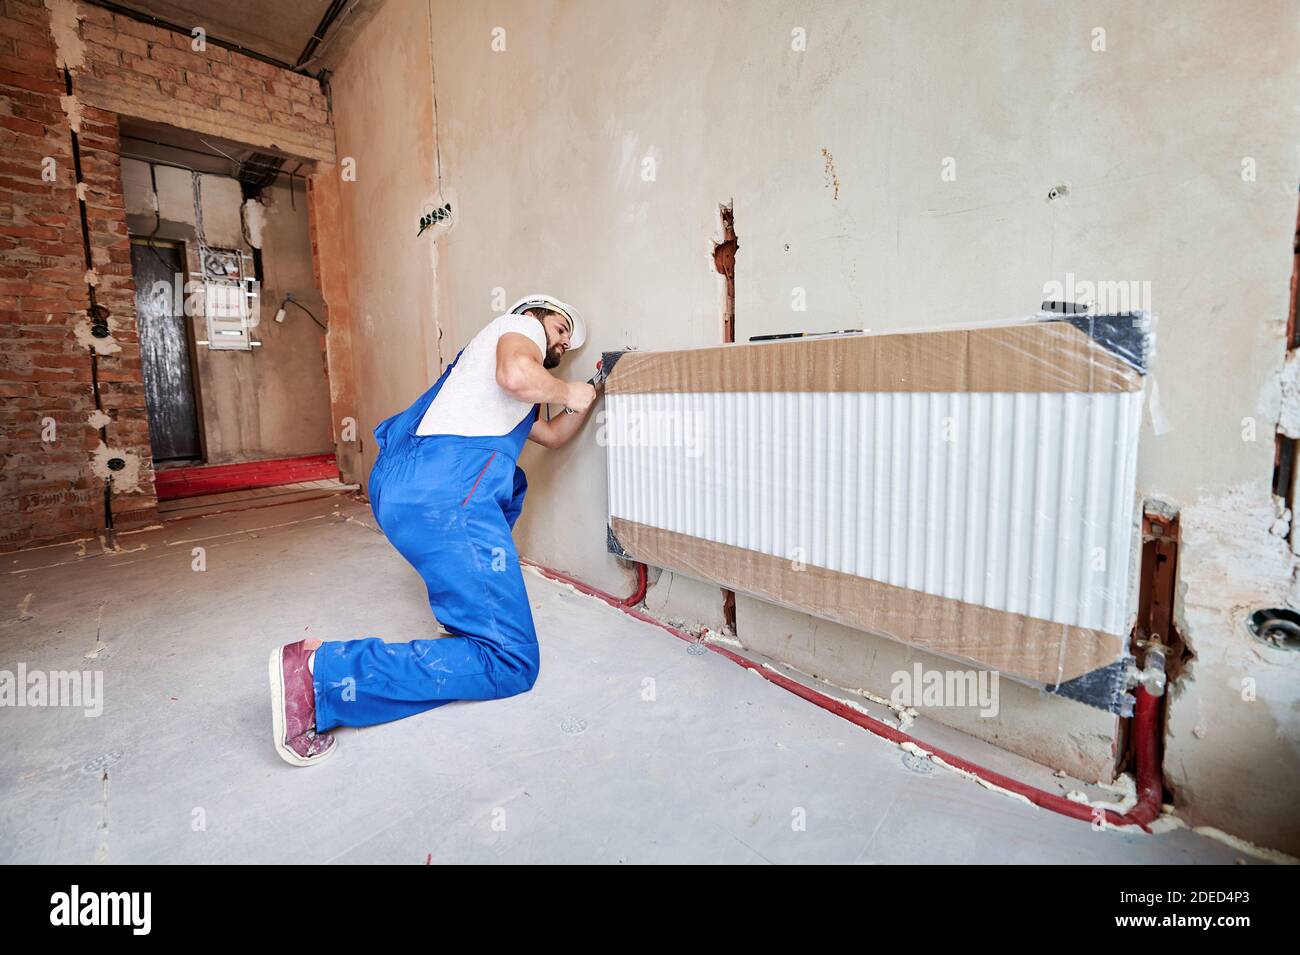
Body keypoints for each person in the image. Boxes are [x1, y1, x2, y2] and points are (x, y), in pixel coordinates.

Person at [267, 294, 600, 766]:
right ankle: (320, 675)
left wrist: (586, 394)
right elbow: (518, 374)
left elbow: (552, 436)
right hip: (447, 491)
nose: (564, 341)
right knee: (510, 662)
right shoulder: (518, 329)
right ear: (533, 314)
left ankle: (462, 618)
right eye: (561, 327)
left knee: (510, 484)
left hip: (406, 489)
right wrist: (569, 392)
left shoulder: (486, 385)